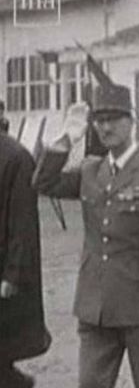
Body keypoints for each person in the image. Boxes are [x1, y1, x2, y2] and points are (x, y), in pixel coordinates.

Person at [33, 80, 139, 388]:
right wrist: (65, 139)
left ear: (130, 121)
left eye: (113, 118)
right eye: (99, 120)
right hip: (95, 306)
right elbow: (43, 183)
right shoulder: (91, 171)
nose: (105, 126)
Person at [0, 134, 51, 388]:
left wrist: (13, 273)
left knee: (4, 344)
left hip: (4, 267)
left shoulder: (16, 157)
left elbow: (23, 222)